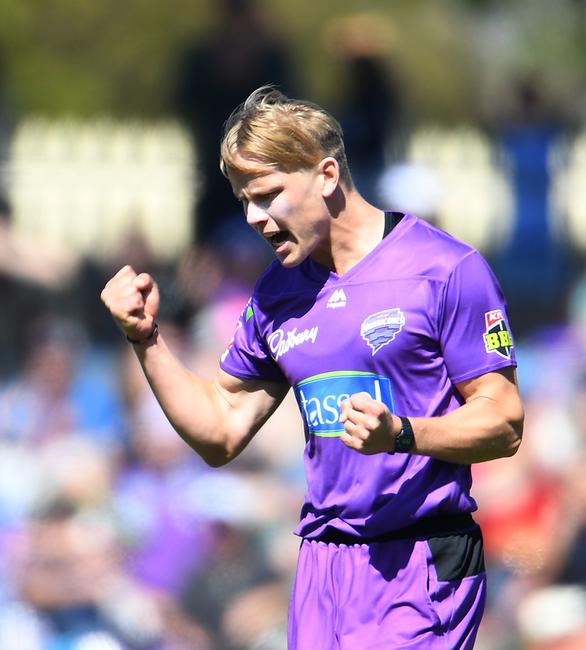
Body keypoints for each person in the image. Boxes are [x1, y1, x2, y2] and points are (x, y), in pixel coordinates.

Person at [101, 86, 524, 649]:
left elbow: (505, 422)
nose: (254, 217)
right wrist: (145, 339)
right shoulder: (278, 294)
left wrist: (403, 434)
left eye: (269, 195)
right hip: (323, 565)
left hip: (420, 558)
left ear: (326, 175)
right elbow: (220, 430)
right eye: (243, 200)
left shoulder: (446, 270)